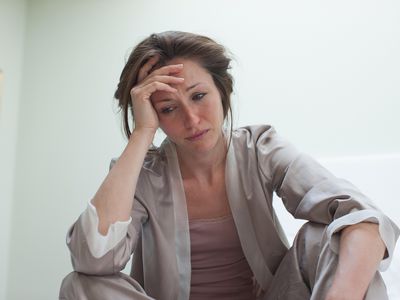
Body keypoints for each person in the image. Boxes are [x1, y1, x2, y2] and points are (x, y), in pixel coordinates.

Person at [59, 31, 399, 300]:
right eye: (167, 108)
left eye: (198, 96)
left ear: (223, 91)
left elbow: (364, 219)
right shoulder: (143, 174)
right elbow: (92, 259)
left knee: (327, 235)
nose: (192, 120)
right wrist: (141, 134)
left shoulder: (259, 149)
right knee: (81, 284)